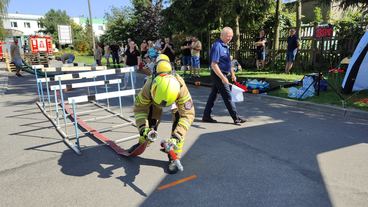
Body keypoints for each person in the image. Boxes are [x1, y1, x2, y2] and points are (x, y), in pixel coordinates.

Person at [128, 57, 194, 173]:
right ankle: (143, 142)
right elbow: (140, 110)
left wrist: (177, 136)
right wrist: (143, 128)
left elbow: (188, 114)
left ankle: (174, 156)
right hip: (155, 102)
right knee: (150, 121)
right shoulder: (148, 85)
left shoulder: (180, 86)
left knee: (179, 121)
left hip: (175, 104)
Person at [202, 27, 246, 125]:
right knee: (227, 96)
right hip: (218, 74)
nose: (229, 38)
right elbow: (214, 64)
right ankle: (236, 118)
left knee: (213, 95)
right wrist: (223, 78)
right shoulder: (217, 46)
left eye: (231, 36)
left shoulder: (225, 46)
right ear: (222, 35)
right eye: (228, 36)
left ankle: (206, 115)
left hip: (223, 74)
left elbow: (228, 62)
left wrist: (233, 74)